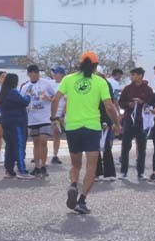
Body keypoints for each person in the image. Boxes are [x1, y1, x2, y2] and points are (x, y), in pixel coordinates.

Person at [51, 52, 121, 214]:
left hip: (73, 127)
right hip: (92, 127)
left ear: (79, 64)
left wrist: (54, 119)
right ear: (96, 66)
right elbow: (109, 107)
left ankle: (73, 184)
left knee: (76, 164)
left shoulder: (68, 79)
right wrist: (117, 124)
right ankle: (81, 200)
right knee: (91, 166)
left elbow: (55, 100)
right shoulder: (100, 82)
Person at [119, 67, 154, 180]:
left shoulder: (148, 89)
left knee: (141, 147)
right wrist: (129, 104)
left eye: (134, 74)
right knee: (125, 147)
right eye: (131, 75)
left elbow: (151, 103)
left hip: (141, 122)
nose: (132, 77)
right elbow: (121, 102)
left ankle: (140, 172)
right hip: (129, 121)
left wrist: (142, 102)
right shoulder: (127, 89)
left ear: (140, 76)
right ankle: (123, 171)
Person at [22, 65, 56, 177]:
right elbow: (22, 101)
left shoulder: (46, 83)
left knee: (43, 140)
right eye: (31, 73)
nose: (33, 75)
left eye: (35, 72)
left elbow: (55, 97)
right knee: (36, 142)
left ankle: (43, 165)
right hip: (32, 118)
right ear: (28, 74)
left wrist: (48, 98)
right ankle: (36, 166)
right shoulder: (25, 87)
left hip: (44, 116)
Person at [0, 73, 33, 179]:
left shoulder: (3, 93)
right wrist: (28, 95)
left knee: (10, 147)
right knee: (19, 146)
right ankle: (22, 170)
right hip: (17, 123)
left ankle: (9, 170)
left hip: (6, 123)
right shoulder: (13, 92)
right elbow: (24, 102)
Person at [50, 66, 66, 165]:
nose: (54, 75)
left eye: (56, 73)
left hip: (58, 113)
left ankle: (55, 155)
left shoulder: (65, 85)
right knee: (42, 135)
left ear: (61, 74)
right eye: (54, 73)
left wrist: (63, 114)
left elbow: (66, 101)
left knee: (56, 134)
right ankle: (38, 155)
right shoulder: (50, 84)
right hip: (48, 113)